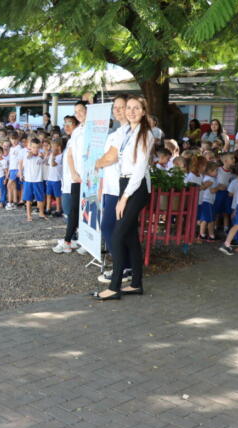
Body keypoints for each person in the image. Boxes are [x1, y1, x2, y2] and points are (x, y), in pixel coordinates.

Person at [92, 96, 154, 300]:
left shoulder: (145, 134)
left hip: (135, 188)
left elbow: (139, 170)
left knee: (117, 236)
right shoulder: (127, 132)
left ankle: (115, 287)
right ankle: (136, 284)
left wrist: (124, 197)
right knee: (129, 237)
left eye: (137, 108)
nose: (131, 111)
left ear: (144, 111)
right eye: (129, 108)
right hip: (124, 184)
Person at [95, 94, 131, 281]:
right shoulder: (116, 133)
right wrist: (101, 184)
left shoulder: (129, 132)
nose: (117, 110)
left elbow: (110, 158)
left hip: (120, 189)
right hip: (110, 187)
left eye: (121, 107)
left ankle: (121, 267)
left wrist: (98, 162)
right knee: (116, 229)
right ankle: (126, 265)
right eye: (115, 107)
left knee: (109, 227)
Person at [52, 103, 86, 253]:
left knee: (76, 212)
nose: (66, 126)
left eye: (69, 123)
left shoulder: (85, 131)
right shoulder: (73, 137)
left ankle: (71, 240)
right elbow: (70, 158)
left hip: (81, 179)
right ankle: (72, 239)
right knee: (72, 212)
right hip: (70, 181)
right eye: (64, 123)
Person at [19, 138, 46, 221]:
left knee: (40, 198)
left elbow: (45, 162)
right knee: (28, 199)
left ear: (40, 147)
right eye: (33, 147)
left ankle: (41, 213)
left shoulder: (41, 155)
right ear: (30, 147)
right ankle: (29, 215)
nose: (35, 149)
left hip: (38, 180)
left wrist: (43, 157)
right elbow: (27, 157)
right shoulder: (27, 154)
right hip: (29, 180)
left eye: (37, 147)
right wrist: (21, 174)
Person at [44, 139, 63, 216]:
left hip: (56, 179)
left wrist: (53, 156)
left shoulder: (60, 156)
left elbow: (53, 164)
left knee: (57, 195)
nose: (52, 148)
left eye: (53, 146)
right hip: (50, 178)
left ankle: (58, 209)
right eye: (51, 146)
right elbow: (47, 163)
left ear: (58, 147)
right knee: (48, 194)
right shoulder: (52, 154)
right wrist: (47, 155)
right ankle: (48, 208)